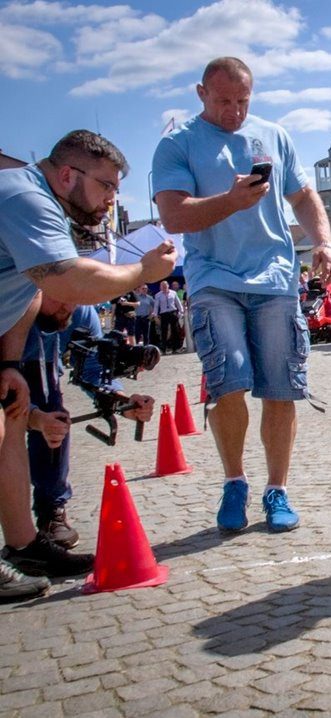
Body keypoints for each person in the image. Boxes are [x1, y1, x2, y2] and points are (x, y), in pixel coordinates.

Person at [152, 57, 331, 534]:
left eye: (243, 100)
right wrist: (230, 201)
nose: (234, 111)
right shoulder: (177, 144)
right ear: (201, 94)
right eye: (223, 101)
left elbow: (303, 195)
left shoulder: (274, 135)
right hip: (214, 277)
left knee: (281, 386)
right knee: (228, 379)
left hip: (275, 276)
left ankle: (277, 489)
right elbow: (174, 216)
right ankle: (235, 482)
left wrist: (323, 240)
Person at [0, 129, 176, 598]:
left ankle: (23, 546)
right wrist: (143, 272)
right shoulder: (28, 199)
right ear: (65, 175)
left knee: (9, 426)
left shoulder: (41, 204)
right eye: (106, 188)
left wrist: (11, 361)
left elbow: (27, 292)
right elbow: (69, 281)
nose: (109, 202)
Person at [23, 297, 155, 550]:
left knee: (55, 416)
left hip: (45, 369)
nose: (67, 306)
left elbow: (94, 370)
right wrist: (32, 416)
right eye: (60, 297)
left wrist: (122, 402)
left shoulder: (79, 309)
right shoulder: (12, 302)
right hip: (12, 365)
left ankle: (51, 509)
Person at [152, 280, 183, 353]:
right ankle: (164, 349)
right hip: (164, 314)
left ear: (168, 286)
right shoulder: (158, 295)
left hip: (173, 312)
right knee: (164, 332)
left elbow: (178, 303)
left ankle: (175, 348)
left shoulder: (173, 293)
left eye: (165, 286)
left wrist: (181, 311)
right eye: (162, 286)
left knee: (175, 331)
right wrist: (155, 315)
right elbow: (156, 306)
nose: (164, 287)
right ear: (160, 287)